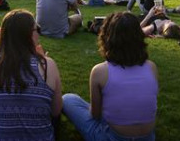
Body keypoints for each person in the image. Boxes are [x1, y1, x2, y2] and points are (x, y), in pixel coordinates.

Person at [0, 10, 62, 140]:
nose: (38, 33)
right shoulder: (49, 65)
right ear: (29, 35)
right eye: (37, 29)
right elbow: (56, 111)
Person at [62, 11, 158, 141]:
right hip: (147, 137)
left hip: (111, 137)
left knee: (68, 99)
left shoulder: (100, 71)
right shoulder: (151, 67)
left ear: (108, 38)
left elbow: (95, 115)